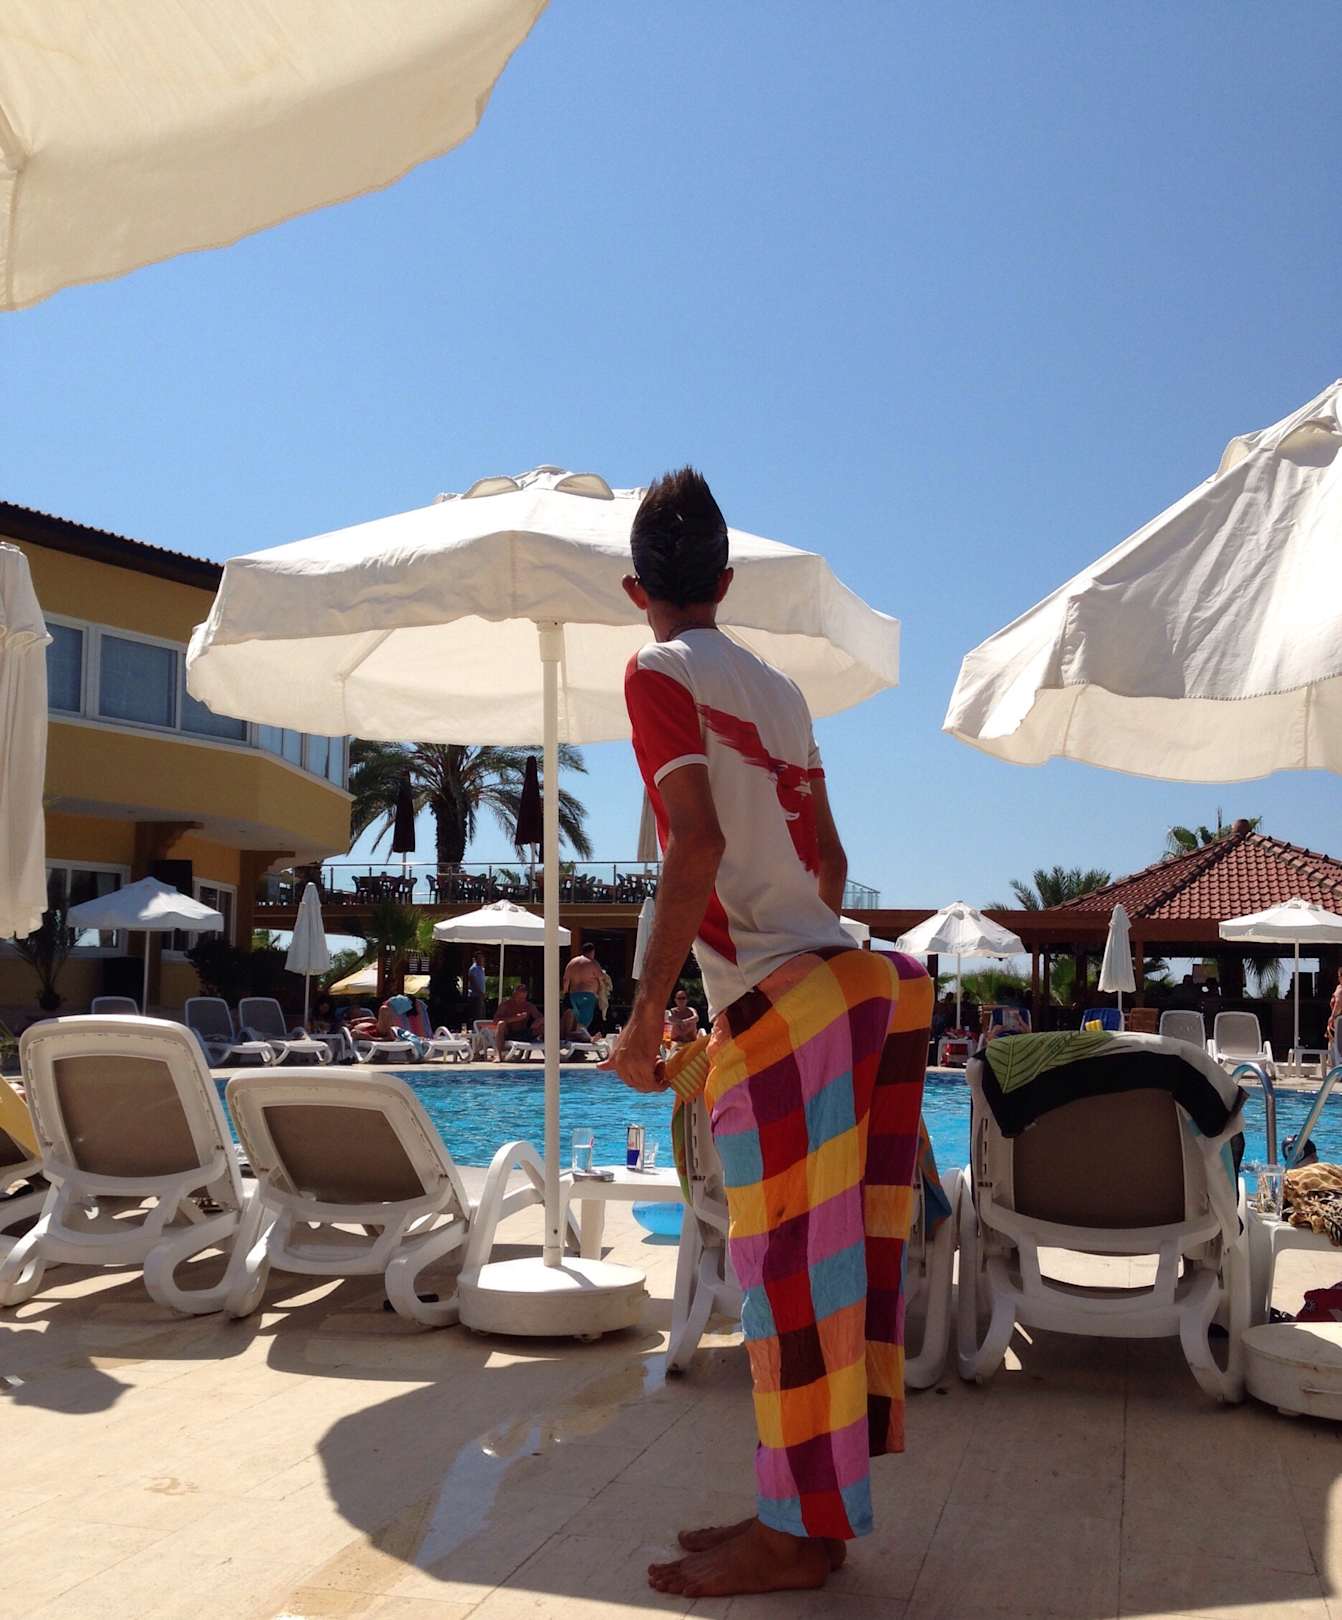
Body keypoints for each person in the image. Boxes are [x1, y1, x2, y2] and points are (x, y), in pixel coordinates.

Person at [602, 467, 929, 1599]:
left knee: (785, 1280)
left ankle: (792, 1541)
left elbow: (692, 844)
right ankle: (807, 1521)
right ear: (727, 582)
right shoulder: (781, 691)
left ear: (636, 590)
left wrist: (645, 1020)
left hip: (786, 1008)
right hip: (854, 981)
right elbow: (829, 862)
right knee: (831, 1274)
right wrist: (783, 942)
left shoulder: (655, 672)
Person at [561, 942, 603, 1033]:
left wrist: (565, 993)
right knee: (584, 1022)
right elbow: (601, 979)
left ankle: (573, 1036)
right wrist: (600, 993)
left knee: (575, 1020)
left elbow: (565, 979)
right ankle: (579, 1037)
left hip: (574, 995)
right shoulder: (592, 963)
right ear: (592, 952)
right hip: (588, 995)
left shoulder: (572, 962)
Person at [494, 982, 542, 1059]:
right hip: (508, 1034)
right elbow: (495, 1021)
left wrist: (537, 1022)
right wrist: (514, 1018)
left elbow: (540, 1017)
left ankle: (551, 1053)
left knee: (543, 1026)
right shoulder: (505, 1005)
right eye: (519, 998)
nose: (521, 1000)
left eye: (523, 998)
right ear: (514, 995)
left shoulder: (528, 1006)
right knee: (501, 1023)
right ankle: (498, 1055)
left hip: (523, 1034)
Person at [466, 951, 488, 1026]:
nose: (482, 959)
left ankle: (481, 1031)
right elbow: (473, 982)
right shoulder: (473, 968)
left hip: (481, 996)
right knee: (477, 1016)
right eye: (480, 958)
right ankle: (475, 1030)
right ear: (476, 959)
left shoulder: (481, 969)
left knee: (482, 1016)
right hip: (476, 996)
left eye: (482, 958)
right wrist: (480, 992)